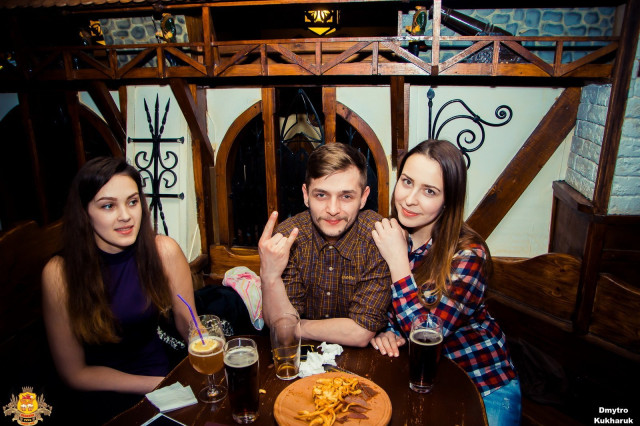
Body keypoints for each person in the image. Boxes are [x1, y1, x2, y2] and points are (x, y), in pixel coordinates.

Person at [369, 140, 521, 425]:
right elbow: (376, 305)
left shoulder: (468, 254)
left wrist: (398, 261)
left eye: (429, 191)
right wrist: (383, 330)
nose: (410, 199)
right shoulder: (388, 234)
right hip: (417, 381)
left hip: (484, 385)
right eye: (407, 182)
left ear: (448, 200)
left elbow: (426, 333)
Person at [41, 157, 197, 423]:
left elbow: (189, 324)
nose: (125, 215)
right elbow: (74, 373)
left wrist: (206, 347)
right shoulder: (59, 274)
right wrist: (158, 384)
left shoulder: (164, 251)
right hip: (101, 392)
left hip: (160, 373)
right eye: (108, 205)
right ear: (84, 212)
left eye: (132, 202)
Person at [258, 143, 391, 347]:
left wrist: (295, 328)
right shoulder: (288, 238)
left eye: (346, 196)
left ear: (363, 198)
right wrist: (269, 276)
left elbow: (361, 332)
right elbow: (281, 333)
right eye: (321, 195)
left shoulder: (378, 237)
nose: (333, 209)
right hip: (302, 356)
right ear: (306, 195)